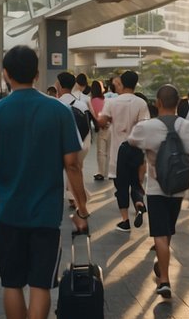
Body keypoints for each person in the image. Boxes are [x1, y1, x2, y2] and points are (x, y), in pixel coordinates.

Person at [0, 46, 89, 319]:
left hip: (9, 213)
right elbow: (72, 163)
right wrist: (81, 207)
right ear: (37, 74)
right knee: (40, 284)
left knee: (11, 283)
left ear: (6, 75)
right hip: (46, 215)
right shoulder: (57, 111)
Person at [127, 84, 189, 298]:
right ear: (179, 103)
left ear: (158, 103)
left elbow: (131, 141)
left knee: (160, 233)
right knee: (167, 230)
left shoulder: (147, 127)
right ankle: (162, 267)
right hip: (179, 189)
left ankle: (165, 280)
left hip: (156, 188)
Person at [99, 70, 151, 232]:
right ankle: (139, 204)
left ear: (122, 82)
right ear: (135, 84)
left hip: (118, 151)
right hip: (136, 148)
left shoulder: (112, 102)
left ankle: (125, 221)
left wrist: (107, 120)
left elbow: (102, 122)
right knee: (135, 182)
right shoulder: (141, 103)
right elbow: (145, 126)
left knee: (121, 187)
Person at [56, 71, 91, 210]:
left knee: (64, 170)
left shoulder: (55, 104)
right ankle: (77, 199)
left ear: (59, 85)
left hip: (61, 144)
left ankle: (72, 197)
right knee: (76, 169)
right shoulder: (82, 104)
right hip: (81, 143)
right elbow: (87, 126)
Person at [88, 80, 109, 181]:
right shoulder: (105, 100)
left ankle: (101, 172)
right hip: (110, 126)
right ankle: (110, 172)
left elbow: (96, 115)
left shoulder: (92, 100)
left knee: (101, 151)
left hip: (102, 126)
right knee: (109, 151)